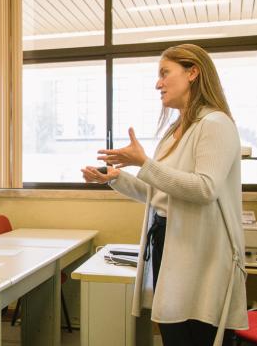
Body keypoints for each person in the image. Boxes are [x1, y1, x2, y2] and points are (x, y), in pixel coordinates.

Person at [81, 44, 247, 346]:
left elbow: (204, 188)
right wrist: (117, 179)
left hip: (202, 253)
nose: (158, 84)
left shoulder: (215, 124)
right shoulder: (175, 131)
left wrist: (145, 163)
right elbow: (162, 193)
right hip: (167, 242)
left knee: (197, 333)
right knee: (174, 333)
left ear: (193, 72)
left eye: (164, 74)